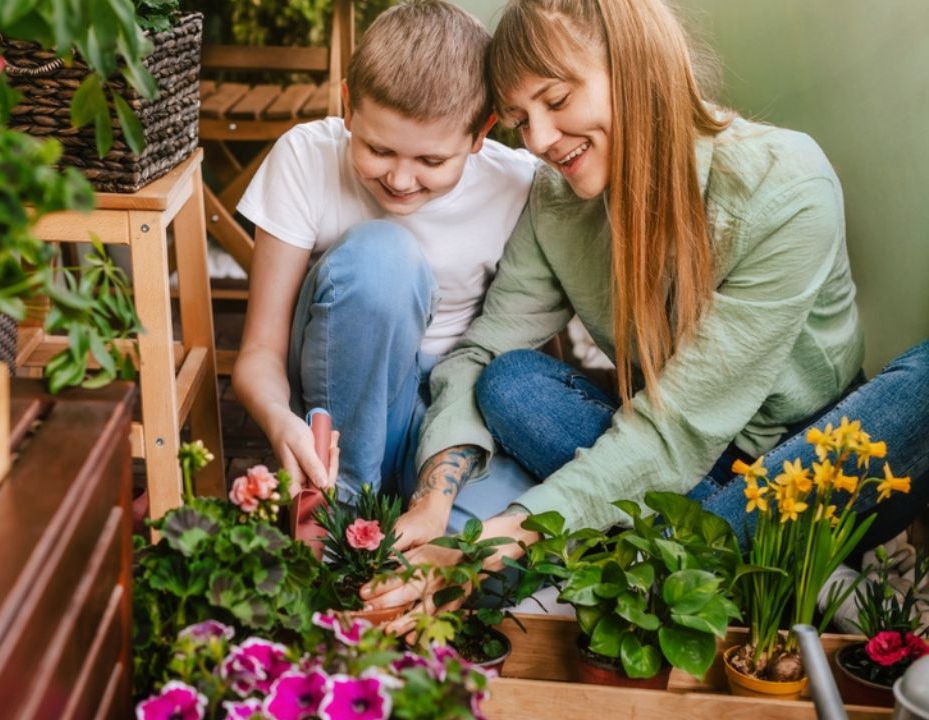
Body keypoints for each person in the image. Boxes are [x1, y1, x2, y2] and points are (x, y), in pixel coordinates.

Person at [366, 0, 929, 623]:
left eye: (556, 101)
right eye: (522, 120)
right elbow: (484, 351)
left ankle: (730, 560)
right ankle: (785, 575)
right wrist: (434, 501)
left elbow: (678, 428)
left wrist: (492, 544)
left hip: (808, 461)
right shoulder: (556, 200)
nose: (540, 141)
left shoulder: (786, 185)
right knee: (511, 383)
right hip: (679, 465)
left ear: (634, 64)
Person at [232, 0, 538, 527]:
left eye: (432, 161)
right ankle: (338, 514)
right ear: (348, 106)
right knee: (383, 257)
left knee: (482, 557)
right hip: (339, 395)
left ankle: (396, 520)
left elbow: (530, 337)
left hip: (451, 412)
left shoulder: (519, 185)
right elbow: (259, 350)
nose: (400, 180)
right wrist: (280, 422)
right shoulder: (305, 158)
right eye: (377, 148)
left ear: (480, 132)